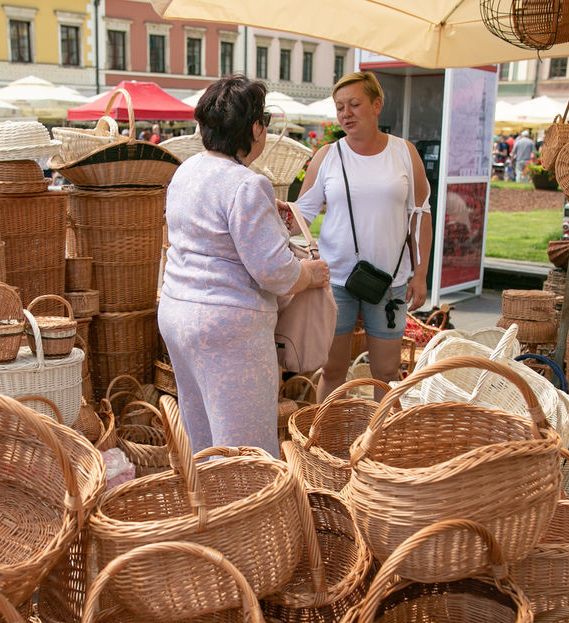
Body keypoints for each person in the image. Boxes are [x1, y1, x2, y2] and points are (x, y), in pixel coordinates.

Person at [158, 74, 330, 456]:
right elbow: (276, 272)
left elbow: (204, 232)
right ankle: (241, 511)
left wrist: (267, 219)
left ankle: (209, 503)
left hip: (177, 312)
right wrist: (310, 274)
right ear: (255, 128)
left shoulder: (185, 170)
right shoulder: (246, 184)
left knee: (201, 430)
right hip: (227, 326)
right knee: (245, 446)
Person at [294, 70, 433, 400]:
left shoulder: (404, 153)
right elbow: (301, 214)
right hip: (335, 281)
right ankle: (323, 440)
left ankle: (380, 444)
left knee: (385, 372)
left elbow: (421, 215)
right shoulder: (327, 156)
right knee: (332, 369)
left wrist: (421, 274)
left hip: (391, 282)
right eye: (340, 106)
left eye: (354, 104)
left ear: (376, 105)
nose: (346, 113)